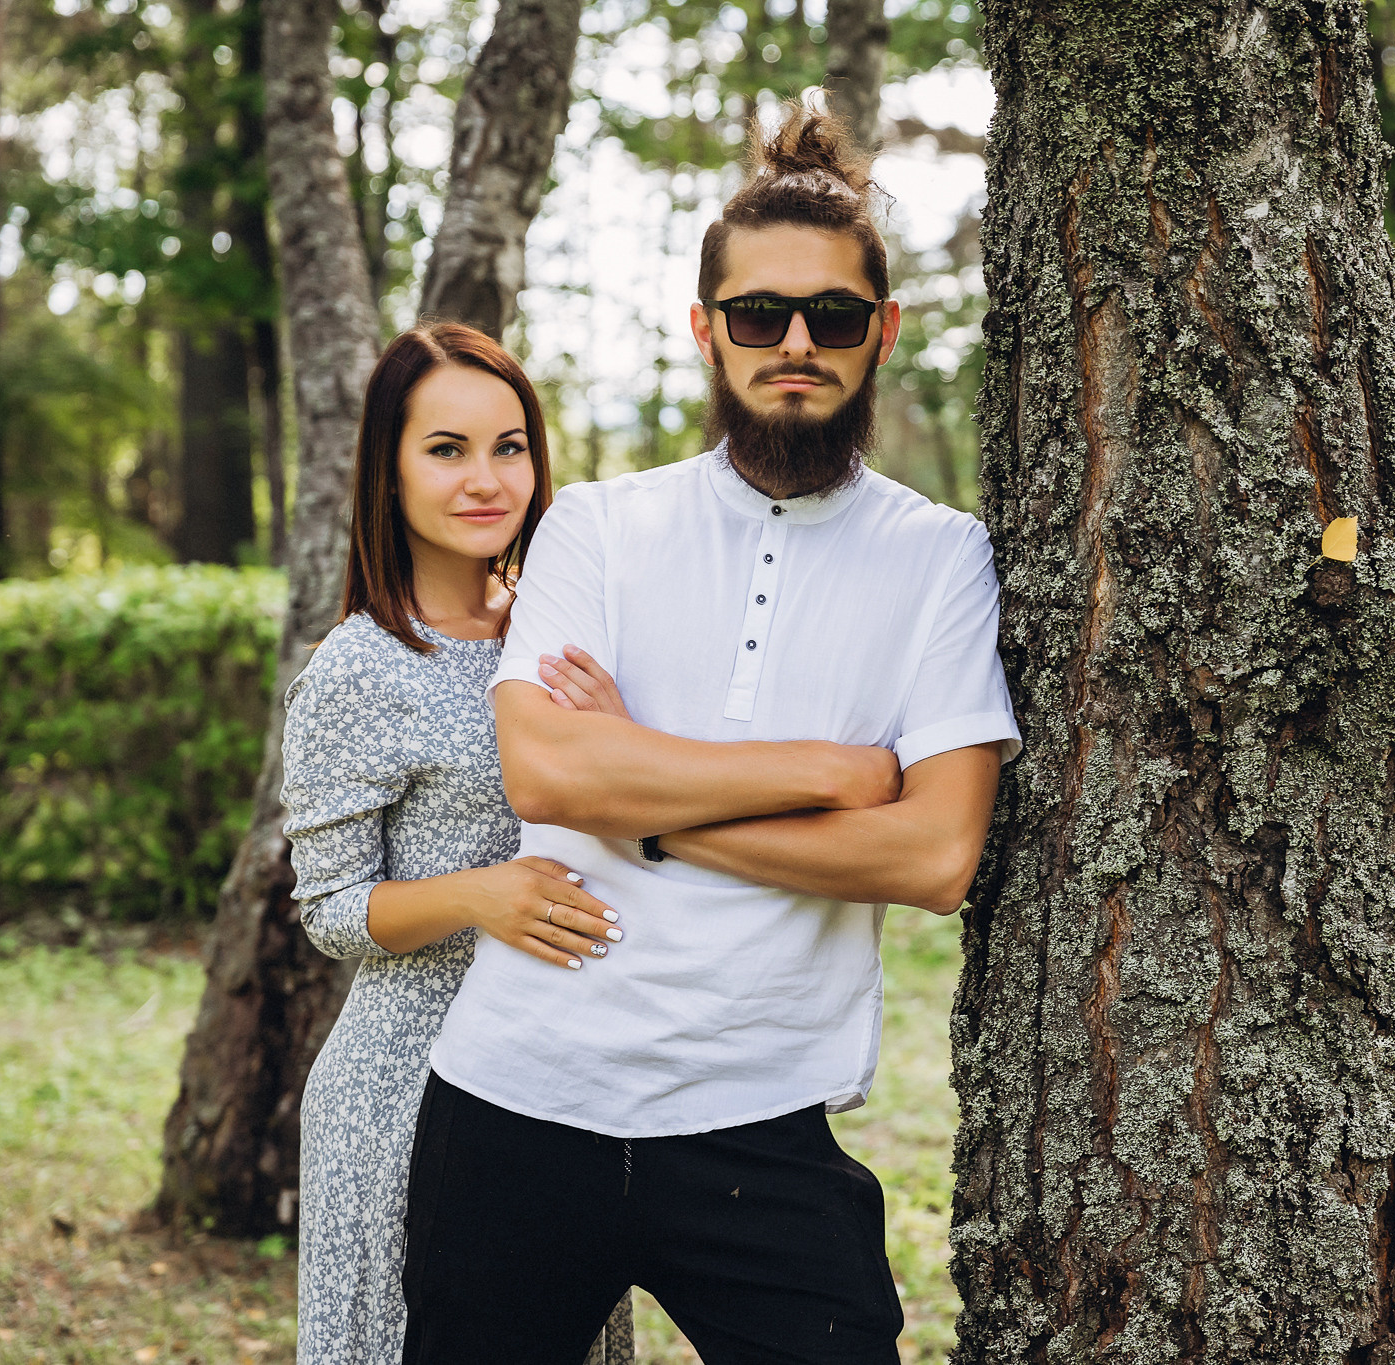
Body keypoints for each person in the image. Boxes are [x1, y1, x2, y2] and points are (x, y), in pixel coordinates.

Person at [398, 104, 1022, 1364]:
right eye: (758, 315)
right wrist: (835, 778)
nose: (796, 343)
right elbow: (549, 769)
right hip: (516, 1101)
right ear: (706, 329)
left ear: (881, 332)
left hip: (760, 1127)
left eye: (833, 317)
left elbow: (932, 859)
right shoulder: (593, 527)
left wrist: (651, 808)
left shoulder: (941, 556)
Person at [282, 322, 629, 1364]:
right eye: (446, 449)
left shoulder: (564, 630)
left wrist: (624, 739)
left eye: (509, 446)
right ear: (387, 470)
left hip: (562, 1076)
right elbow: (330, 910)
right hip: (405, 1094)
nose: (486, 478)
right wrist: (483, 894)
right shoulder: (359, 668)